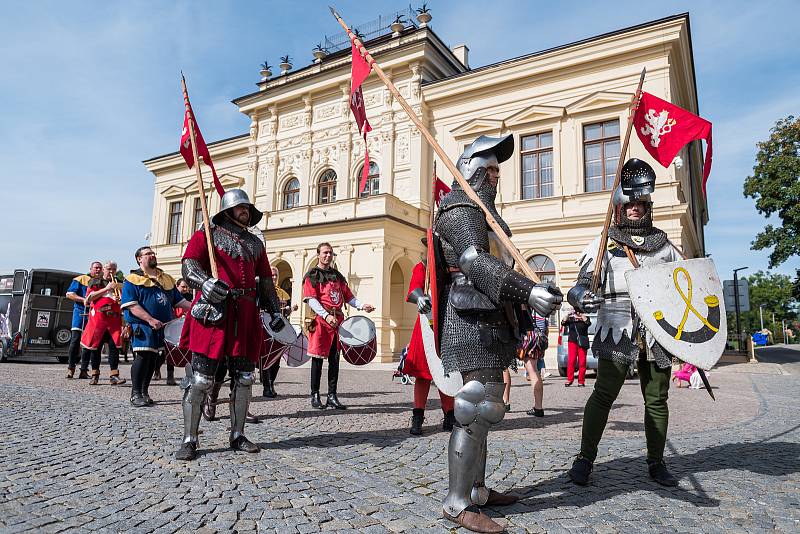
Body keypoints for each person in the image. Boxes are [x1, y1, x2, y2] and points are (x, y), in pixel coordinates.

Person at [435, 134, 562, 532]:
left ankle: (477, 491)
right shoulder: (460, 208)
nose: (496, 176)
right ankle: (457, 503)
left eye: (497, 170)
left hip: (491, 318)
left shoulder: (487, 214)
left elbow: (501, 266)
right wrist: (529, 291)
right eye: (488, 169)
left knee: (487, 408)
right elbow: (473, 262)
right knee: (474, 408)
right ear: (470, 168)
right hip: (468, 320)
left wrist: (535, 291)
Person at [566, 158, 682, 488]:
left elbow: (685, 290)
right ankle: (585, 459)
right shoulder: (605, 242)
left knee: (657, 399)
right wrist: (581, 296)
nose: (635, 208)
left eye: (641, 203)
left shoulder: (665, 248)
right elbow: (581, 283)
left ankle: (657, 462)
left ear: (648, 206)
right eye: (630, 203)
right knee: (603, 395)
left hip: (658, 333)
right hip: (617, 329)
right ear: (620, 205)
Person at [176, 188, 283, 461]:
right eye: (240, 207)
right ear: (227, 210)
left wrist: (274, 310)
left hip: (245, 314)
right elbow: (188, 266)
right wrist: (205, 282)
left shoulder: (256, 243)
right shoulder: (207, 235)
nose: (245, 210)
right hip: (214, 311)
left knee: (245, 379)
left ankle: (237, 434)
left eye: (247, 207)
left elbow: (266, 282)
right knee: (200, 381)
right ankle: (190, 439)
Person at [302, 242, 374, 410]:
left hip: (338, 321)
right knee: (318, 360)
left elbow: (349, 297)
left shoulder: (337, 276)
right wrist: (326, 315)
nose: (328, 255)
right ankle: (315, 395)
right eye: (325, 252)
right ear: (318, 254)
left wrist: (363, 306)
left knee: (334, 360)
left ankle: (332, 396)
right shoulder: (312, 275)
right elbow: (311, 299)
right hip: (321, 320)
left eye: (330, 253)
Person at [121, 248, 190, 407]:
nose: (152, 255)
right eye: (148, 254)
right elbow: (131, 305)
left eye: (153, 253)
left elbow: (179, 301)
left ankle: (145, 392)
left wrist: (195, 306)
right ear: (139, 259)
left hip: (163, 326)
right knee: (143, 357)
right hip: (143, 325)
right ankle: (136, 393)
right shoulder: (132, 279)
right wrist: (150, 319)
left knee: (154, 360)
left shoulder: (166, 279)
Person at [404, 257, 455, 435]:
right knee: (422, 374)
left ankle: (450, 415)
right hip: (427, 325)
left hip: (448, 324)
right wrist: (419, 297)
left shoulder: (452, 267)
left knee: (447, 372)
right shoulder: (423, 266)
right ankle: (418, 417)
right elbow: (413, 290)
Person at [80, 261, 127, 386]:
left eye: (113, 269)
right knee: (95, 348)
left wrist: (120, 300)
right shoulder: (95, 282)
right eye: (108, 269)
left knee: (114, 348)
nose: (111, 271)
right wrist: (107, 289)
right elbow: (89, 299)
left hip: (114, 321)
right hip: (99, 320)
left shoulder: (119, 284)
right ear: (103, 270)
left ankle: (114, 376)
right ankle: (95, 374)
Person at [261, 265, 297, 398]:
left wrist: (290, 309)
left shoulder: (282, 292)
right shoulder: (262, 290)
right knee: (265, 357)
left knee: (276, 359)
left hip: (279, 327)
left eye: (276, 275)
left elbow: (284, 311)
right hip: (266, 326)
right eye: (271, 275)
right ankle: (266, 386)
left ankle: (271, 383)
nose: (274, 277)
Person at [153, 277, 193, 386]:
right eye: (183, 287)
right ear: (177, 286)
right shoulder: (172, 296)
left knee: (186, 351)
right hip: (171, 325)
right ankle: (163, 372)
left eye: (187, 287)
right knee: (166, 352)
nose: (185, 289)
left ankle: (189, 376)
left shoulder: (189, 297)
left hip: (184, 326)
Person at [65, 261, 102, 379]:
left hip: (94, 315)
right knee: (75, 341)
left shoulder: (103, 283)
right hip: (80, 313)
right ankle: (71, 368)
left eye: (100, 268)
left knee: (88, 344)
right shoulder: (81, 279)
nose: (98, 270)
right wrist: (84, 299)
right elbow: (69, 294)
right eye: (96, 267)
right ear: (90, 268)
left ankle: (84, 370)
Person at [521, 311, 548, 417]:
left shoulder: (528, 308)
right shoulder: (541, 310)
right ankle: (538, 407)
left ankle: (538, 407)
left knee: (532, 371)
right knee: (534, 371)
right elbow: (545, 328)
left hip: (530, 339)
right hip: (538, 340)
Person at [562, 310, 591, 386]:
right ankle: (570, 379)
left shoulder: (585, 318)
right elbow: (563, 323)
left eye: (578, 310)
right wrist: (568, 314)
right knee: (571, 361)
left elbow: (588, 323)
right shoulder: (571, 319)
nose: (577, 312)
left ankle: (581, 381)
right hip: (572, 342)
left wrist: (581, 315)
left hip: (582, 342)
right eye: (576, 310)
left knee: (582, 362)